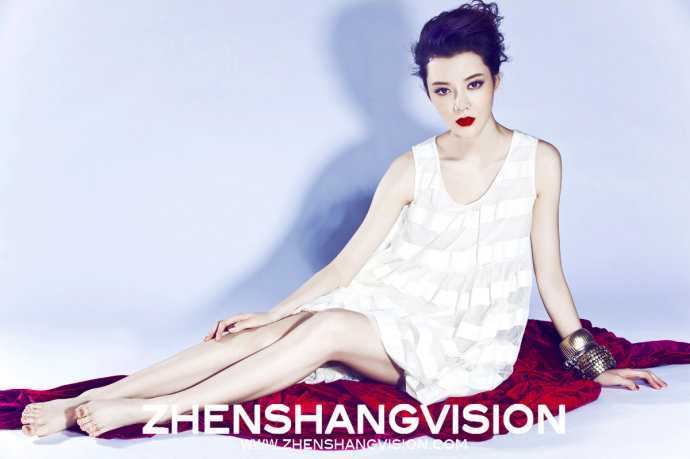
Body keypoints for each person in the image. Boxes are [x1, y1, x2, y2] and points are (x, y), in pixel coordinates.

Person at [19, 0, 667, 439]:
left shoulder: (539, 160)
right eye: (442, 90)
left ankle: (153, 410)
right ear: (426, 90)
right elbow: (349, 264)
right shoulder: (411, 166)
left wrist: (591, 361)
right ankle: (87, 401)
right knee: (272, 332)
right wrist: (273, 313)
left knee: (325, 325)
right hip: (395, 308)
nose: (459, 103)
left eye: (473, 84)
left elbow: (548, 273)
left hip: (463, 342)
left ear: (497, 80)